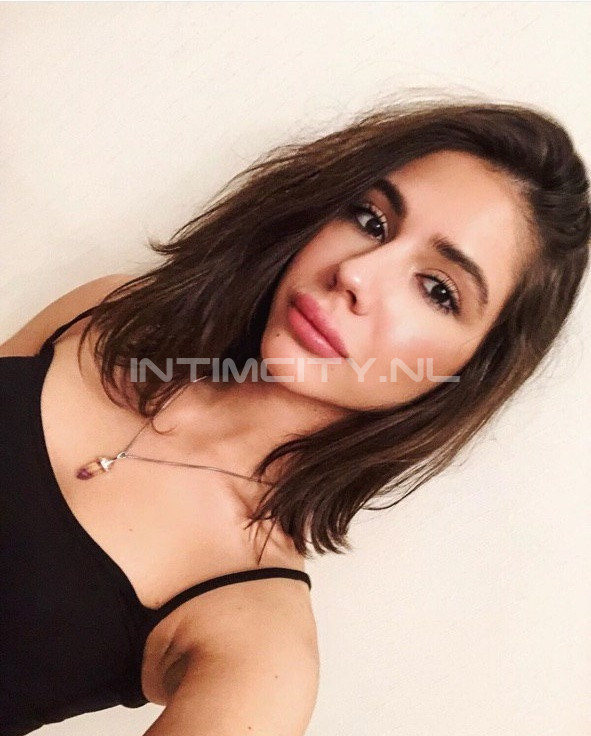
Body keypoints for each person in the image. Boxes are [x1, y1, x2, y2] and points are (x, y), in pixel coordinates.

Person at [1, 96, 589, 736]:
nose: (356, 274)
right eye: (370, 219)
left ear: (470, 371)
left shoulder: (255, 640)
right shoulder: (106, 315)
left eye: (437, 289)